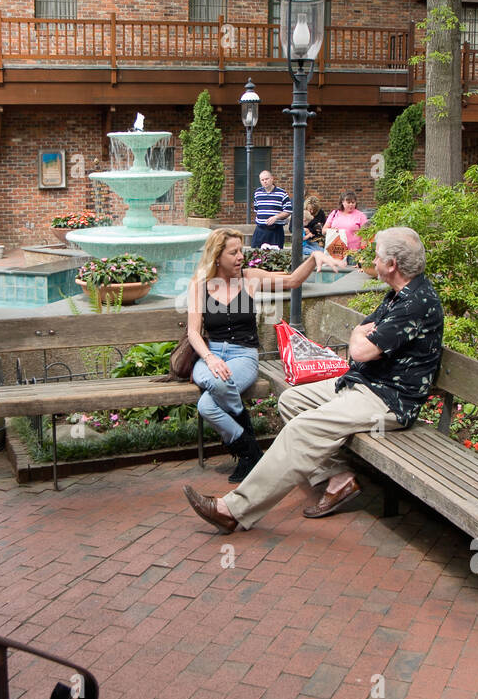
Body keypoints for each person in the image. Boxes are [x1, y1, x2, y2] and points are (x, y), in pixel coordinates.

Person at [183, 227, 443, 531]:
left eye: (377, 255)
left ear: (393, 264)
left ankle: (233, 509)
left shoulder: (416, 302)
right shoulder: (398, 296)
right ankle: (339, 478)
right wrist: (360, 335)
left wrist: (359, 337)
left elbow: (359, 348)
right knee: (291, 400)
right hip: (362, 384)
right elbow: (363, 332)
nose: (373, 259)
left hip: (388, 399)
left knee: (302, 428)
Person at [188, 229, 341, 482]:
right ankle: (251, 451)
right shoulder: (199, 285)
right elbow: (194, 333)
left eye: (241, 251)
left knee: (210, 399)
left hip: (243, 356)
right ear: (217, 256)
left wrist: (313, 259)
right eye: (233, 252)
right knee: (211, 392)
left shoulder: (251, 278)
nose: (240, 257)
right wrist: (210, 358)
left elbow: (292, 281)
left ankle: (246, 451)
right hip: (210, 355)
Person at [250, 170, 291, 249]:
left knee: (276, 257)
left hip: (275, 231)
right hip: (260, 230)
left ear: (272, 179)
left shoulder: (282, 193)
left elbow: (288, 211)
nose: (265, 181)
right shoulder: (257, 193)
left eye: (267, 179)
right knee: (255, 255)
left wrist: (276, 217)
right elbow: (257, 210)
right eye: (262, 180)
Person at [322, 191, 368, 257]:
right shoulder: (334, 213)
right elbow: (323, 230)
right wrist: (332, 230)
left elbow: (365, 235)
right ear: (342, 202)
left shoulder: (361, 215)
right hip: (335, 251)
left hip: (353, 253)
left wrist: (362, 254)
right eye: (348, 202)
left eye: (353, 202)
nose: (351, 204)